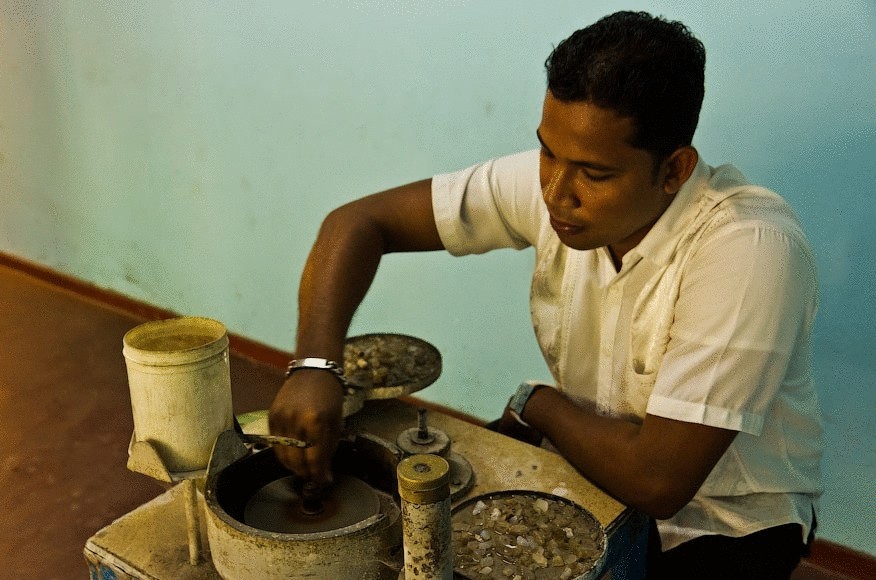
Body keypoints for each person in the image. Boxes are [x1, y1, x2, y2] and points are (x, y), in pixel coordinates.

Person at [269, 10, 823, 578]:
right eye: (546, 152)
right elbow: (358, 223)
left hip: (721, 519)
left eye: (595, 175)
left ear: (675, 169)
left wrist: (538, 405)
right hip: (591, 467)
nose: (556, 192)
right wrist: (314, 365)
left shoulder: (749, 248)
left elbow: (659, 482)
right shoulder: (562, 178)